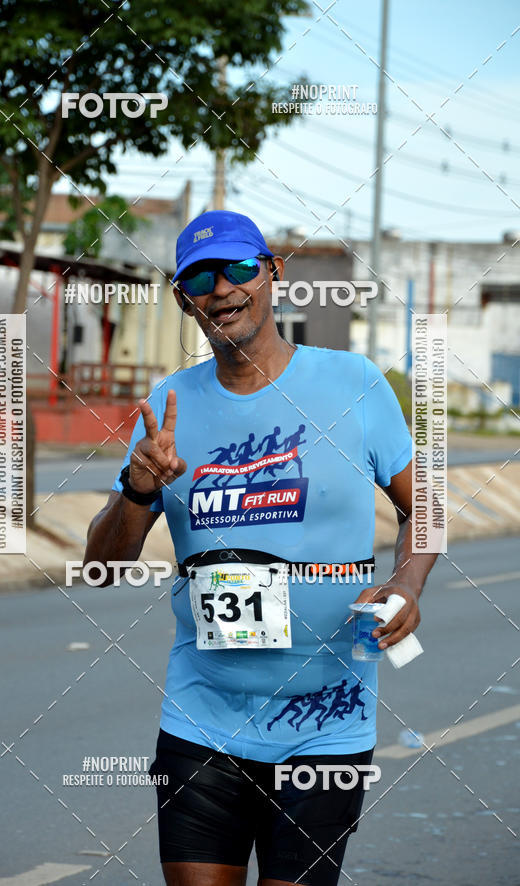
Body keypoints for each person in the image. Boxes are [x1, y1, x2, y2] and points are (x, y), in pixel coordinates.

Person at [84, 210, 438, 886]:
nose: (222, 289)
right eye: (199, 277)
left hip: (326, 727)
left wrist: (408, 584)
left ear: (274, 273)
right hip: (201, 723)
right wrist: (135, 490)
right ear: (184, 298)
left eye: (240, 268)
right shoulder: (170, 404)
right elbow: (103, 569)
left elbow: (425, 508)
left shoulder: (354, 384)